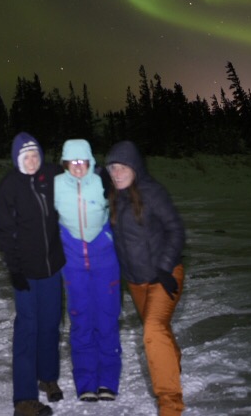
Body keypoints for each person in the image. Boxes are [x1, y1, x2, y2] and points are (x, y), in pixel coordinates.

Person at [105, 141, 186, 416]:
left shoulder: (153, 192)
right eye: (112, 167)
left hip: (164, 276)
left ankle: (170, 406)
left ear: (135, 167)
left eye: (122, 167)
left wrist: (165, 267)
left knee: (152, 331)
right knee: (159, 331)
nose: (116, 173)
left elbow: (176, 229)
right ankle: (171, 364)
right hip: (136, 282)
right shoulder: (114, 197)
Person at [0, 132, 66, 416]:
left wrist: (97, 172)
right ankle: (24, 399)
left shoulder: (50, 175)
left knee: (50, 324)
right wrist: (14, 269)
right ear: (17, 159)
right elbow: (3, 231)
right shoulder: (9, 187)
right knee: (28, 328)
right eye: (26, 156)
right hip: (25, 271)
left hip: (52, 268)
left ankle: (47, 377)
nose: (32, 160)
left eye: (35, 154)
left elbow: (76, 177)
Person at [54, 138, 122, 402]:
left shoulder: (103, 181)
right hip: (73, 264)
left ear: (90, 161)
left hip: (106, 262)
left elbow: (129, 202)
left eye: (83, 161)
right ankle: (86, 384)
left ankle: (108, 382)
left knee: (106, 321)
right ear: (66, 163)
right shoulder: (56, 186)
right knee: (81, 323)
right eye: (73, 162)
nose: (78, 167)